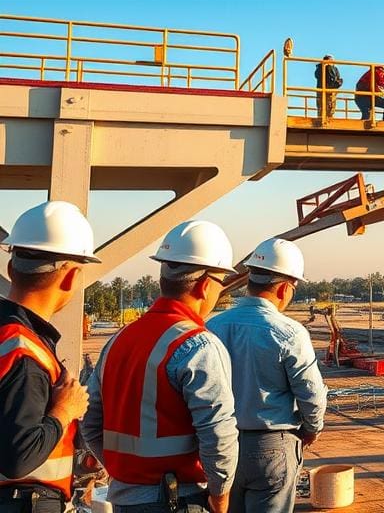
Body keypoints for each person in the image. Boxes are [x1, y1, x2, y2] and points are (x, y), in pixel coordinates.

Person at [81, 221, 239, 513]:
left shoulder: (118, 340)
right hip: (177, 499)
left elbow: (89, 421)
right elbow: (218, 433)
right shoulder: (198, 345)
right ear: (206, 285)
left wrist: (126, 472)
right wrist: (220, 495)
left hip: (124, 498)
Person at [208, 238, 327, 513]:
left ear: (250, 279)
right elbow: (311, 394)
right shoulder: (290, 333)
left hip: (221, 445)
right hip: (272, 446)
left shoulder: (212, 326)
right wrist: (312, 428)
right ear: (285, 288)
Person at [0, 202, 100, 513]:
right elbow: (18, 457)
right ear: (70, 278)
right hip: (23, 502)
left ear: (10, 268)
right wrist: (63, 410)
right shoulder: (25, 350)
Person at [314, 55, 342, 120]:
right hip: (322, 90)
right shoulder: (320, 68)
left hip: (331, 90)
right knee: (321, 106)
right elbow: (317, 75)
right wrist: (326, 66)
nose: (331, 62)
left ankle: (329, 118)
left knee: (330, 107)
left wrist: (338, 83)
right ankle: (321, 118)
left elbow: (337, 78)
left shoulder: (334, 68)